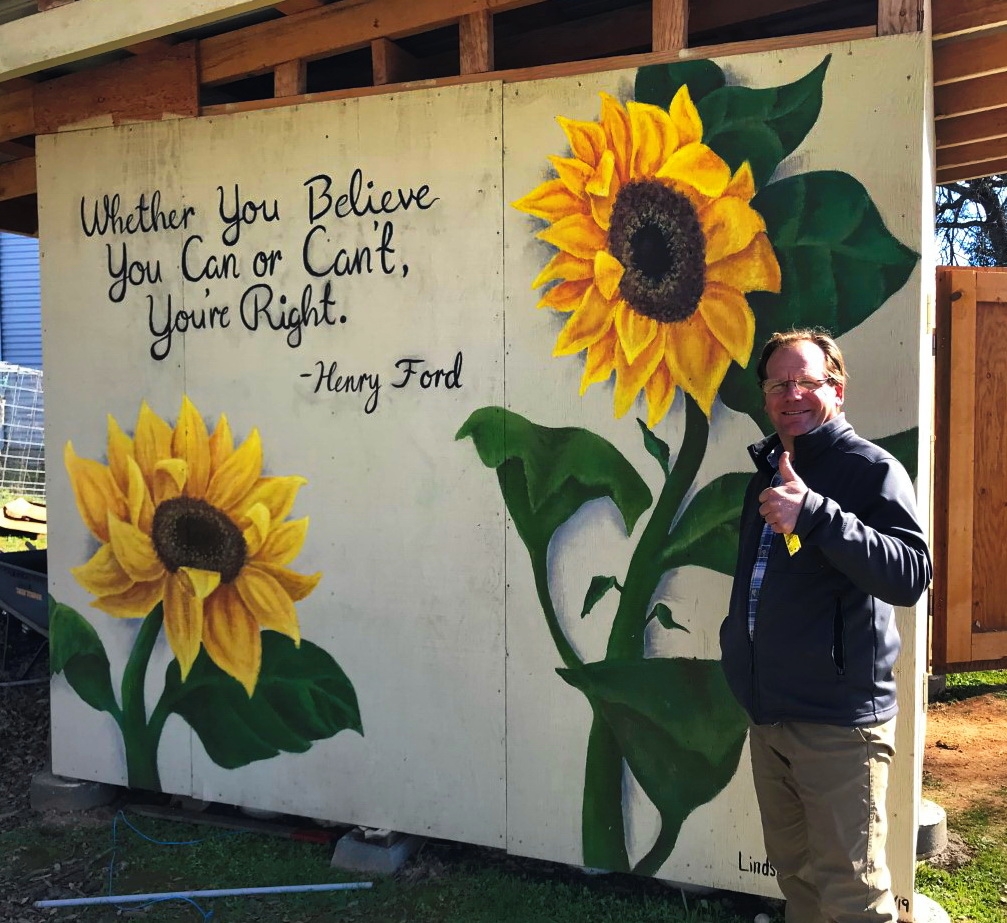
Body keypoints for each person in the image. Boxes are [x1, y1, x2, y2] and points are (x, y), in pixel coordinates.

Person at [719, 328, 932, 923]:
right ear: (765, 397)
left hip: (839, 726)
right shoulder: (764, 474)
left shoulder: (869, 470)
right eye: (779, 384)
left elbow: (910, 575)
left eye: (807, 382)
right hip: (771, 713)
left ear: (835, 389)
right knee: (799, 882)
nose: (792, 395)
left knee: (853, 897)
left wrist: (814, 513)